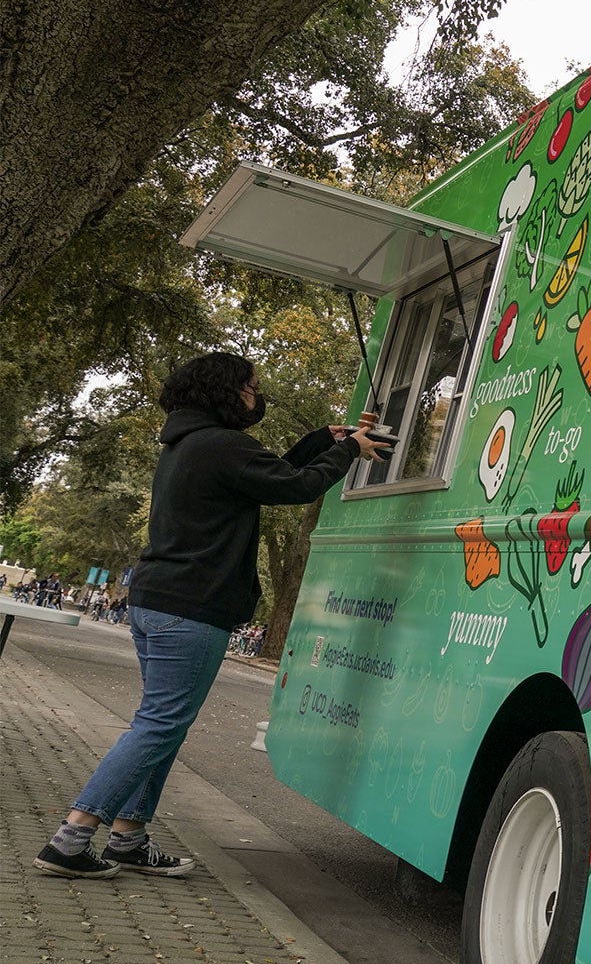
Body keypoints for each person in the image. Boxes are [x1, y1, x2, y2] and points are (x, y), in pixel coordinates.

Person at [33, 352, 384, 880]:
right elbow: (297, 487)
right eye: (251, 387)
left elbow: (272, 473)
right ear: (225, 392)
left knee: (163, 726)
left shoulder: (189, 445)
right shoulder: (223, 446)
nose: (255, 396)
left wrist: (321, 442)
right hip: (191, 609)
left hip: (157, 601)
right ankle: (71, 837)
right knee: (158, 725)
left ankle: (127, 839)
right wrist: (349, 451)